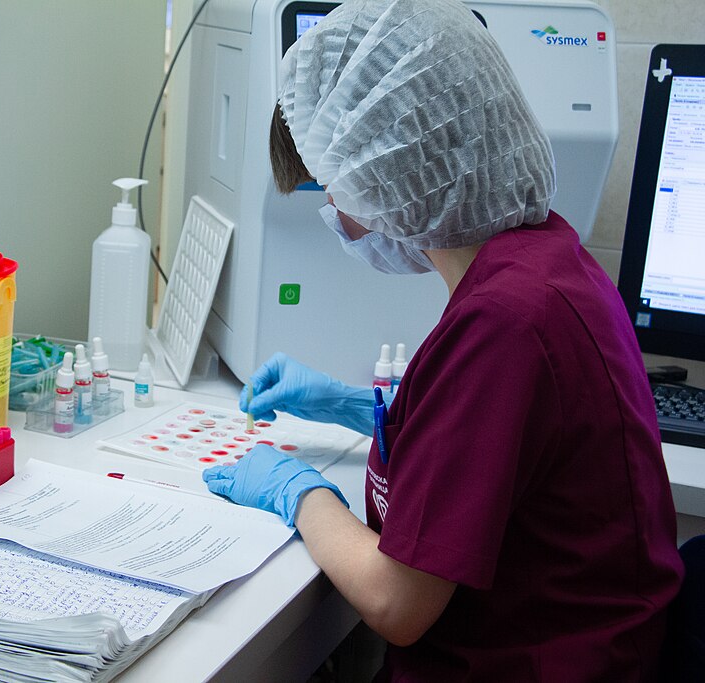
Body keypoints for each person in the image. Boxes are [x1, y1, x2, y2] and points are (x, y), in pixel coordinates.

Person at [201, 1, 684, 680]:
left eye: (332, 180)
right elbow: (501, 443)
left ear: (384, 166)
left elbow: (396, 600)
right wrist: (370, 411)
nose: (333, 208)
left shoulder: (505, 320)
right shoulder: (548, 260)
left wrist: (298, 493)